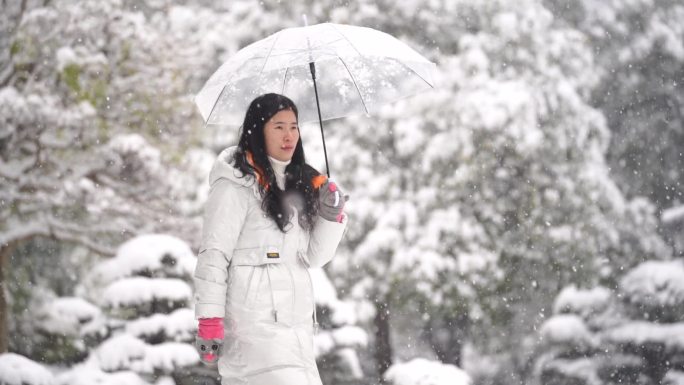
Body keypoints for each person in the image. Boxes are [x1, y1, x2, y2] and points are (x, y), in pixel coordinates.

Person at [193, 93, 348, 385]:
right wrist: (209, 319)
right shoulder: (236, 184)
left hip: (297, 331)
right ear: (258, 130)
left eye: (294, 126)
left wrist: (331, 216)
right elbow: (214, 252)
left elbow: (314, 257)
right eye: (278, 127)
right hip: (254, 329)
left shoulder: (298, 185)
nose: (289, 135)